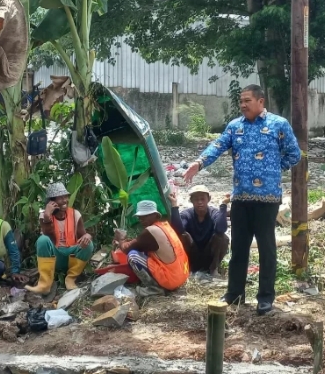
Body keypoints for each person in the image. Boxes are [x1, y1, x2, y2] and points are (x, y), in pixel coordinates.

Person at [183, 84, 301, 315]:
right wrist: (199, 163)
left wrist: (275, 170)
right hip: (240, 199)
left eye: (248, 100)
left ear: (261, 101)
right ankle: (234, 295)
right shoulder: (235, 127)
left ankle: (265, 298)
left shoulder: (278, 125)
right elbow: (217, 146)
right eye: (241, 101)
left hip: (268, 200)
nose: (243, 105)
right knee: (239, 248)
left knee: (267, 249)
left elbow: (294, 154)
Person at [27, 182, 94, 294]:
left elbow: (83, 236)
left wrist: (88, 236)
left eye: (65, 197)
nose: (65, 200)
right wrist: (47, 217)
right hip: (55, 256)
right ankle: (45, 284)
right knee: (42, 240)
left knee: (89, 244)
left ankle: (71, 278)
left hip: (72, 255)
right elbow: (50, 239)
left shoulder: (75, 214)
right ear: (51, 202)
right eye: (60, 198)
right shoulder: (44, 216)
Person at [113, 200, 189, 292]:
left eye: (145, 216)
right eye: (140, 217)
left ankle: (155, 289)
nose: (141, 220)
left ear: (156, 215)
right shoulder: (164, 226)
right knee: (141, 251)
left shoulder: (150, 231)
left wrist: (121, 239)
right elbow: (139, 243)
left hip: (171, 279)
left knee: (133, 256)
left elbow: (126, 249)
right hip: (181, 275)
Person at [169, 185, 229, 279]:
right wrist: (174, 206)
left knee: (222, 237)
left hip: (209, 255)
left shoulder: (214, 212)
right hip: (192, 255)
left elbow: (221, 229)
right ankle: (187, 268)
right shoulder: (187, 214)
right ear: (191, 201)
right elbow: (177, 230)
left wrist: (223, 206)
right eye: (196, 199)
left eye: (202, 199)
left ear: (208, 199)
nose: (200, 202)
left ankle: (213, 269)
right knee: (182, 236)